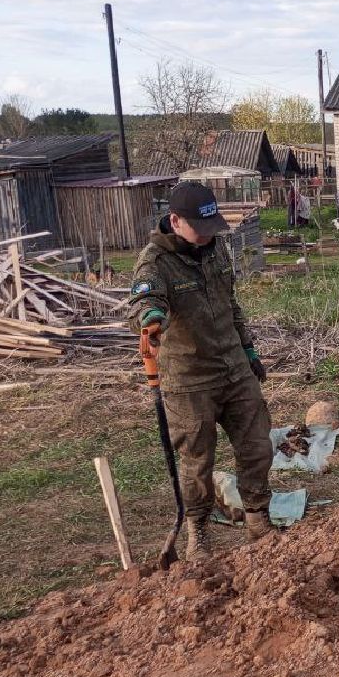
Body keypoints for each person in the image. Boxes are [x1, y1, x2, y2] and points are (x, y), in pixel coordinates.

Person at [128, 182, 274, 563]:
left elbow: (230, 303)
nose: (209, 235)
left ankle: (258, 520)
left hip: (234, 367)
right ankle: (198, 533)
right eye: (200, 227)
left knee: (257, 445)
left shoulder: (216, 248)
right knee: (197, 459)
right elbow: (145, 300)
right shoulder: (154, 262)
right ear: (175, 221)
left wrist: (248, 348)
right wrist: (151, 318)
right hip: (188, 377)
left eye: (213, 226)